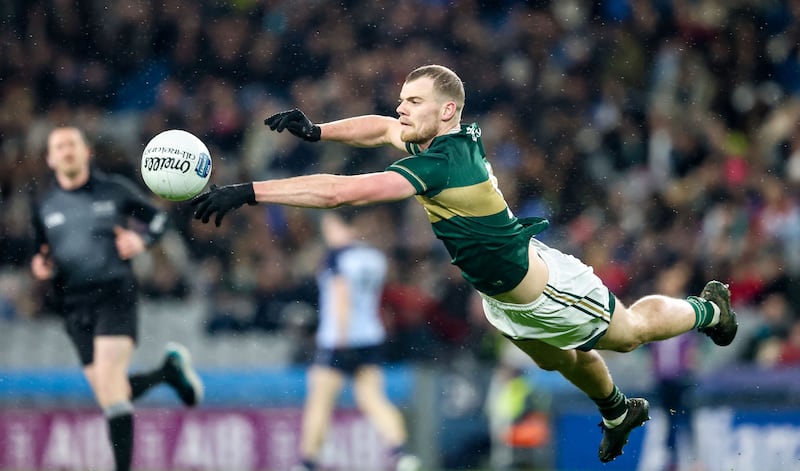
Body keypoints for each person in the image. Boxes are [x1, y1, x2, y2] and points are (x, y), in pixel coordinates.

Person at [191, 65, 738, 463]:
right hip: (502, 296)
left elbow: (341, 193)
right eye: (402, 99)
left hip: (543, 287)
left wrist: (250, 191)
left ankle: (707, 309)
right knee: (560, 361)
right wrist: (318, 130)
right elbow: (381, 127)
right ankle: (620, 411)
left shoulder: (444, 162)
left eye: (413, 100)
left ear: (447, 109)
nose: (401, 108)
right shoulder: (430, 137)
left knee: (628, 333)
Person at [31, 127, 204, 471]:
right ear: (50, 158)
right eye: (59, 146)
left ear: (86, 152)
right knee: (112, 394)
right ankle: (166, 374)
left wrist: (142, 242)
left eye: (72, 144)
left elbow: (159, 219)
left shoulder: (114, 190)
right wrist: (40, 265)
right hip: (74, 304)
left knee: (112, 389)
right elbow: (43, 252)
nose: (66, 151)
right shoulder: (44, 205)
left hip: (114, 292)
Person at [291, 211, 420, 471]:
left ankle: (307, 462)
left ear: (338, 225)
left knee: (320, 402)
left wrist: (340, 338)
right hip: (369, 337)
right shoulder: (374, 258)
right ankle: (401, 453)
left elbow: (341, 297)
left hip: (339, 339)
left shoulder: (337, 257)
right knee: (372, 398)